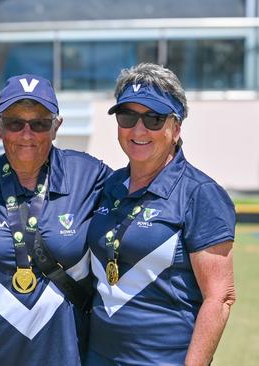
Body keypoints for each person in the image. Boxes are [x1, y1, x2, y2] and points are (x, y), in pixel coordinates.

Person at [85, 63, 236, 365]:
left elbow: (219, 298)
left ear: (176, 128)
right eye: (128, 116)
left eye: (153, 119)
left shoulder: (200, 193)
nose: (138, 130)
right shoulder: (109, 184)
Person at [0, 74, 110, 365]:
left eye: (39, 123)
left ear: (56, 127)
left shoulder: (88, 175)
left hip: (64, 356)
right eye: (15, 122)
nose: (26, 135)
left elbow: (139, 195)